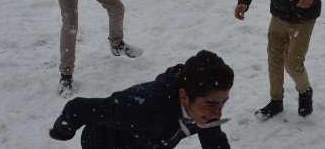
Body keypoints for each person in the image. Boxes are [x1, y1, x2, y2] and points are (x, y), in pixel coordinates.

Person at [49, 50, 234, 148]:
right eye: (211, 104)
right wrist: (62, 132)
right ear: (184, 96)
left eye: (223, 102)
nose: (218, 113)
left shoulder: (205, 111)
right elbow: (77, 109)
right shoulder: (143, 107)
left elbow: (214, 142)